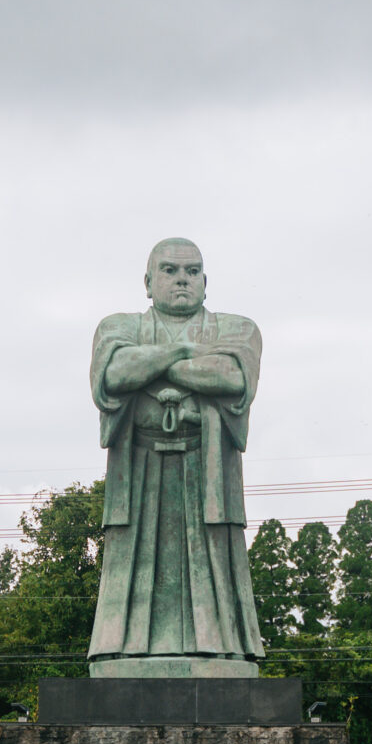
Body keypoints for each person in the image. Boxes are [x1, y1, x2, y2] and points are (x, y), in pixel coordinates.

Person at [86, 238, 266, 674]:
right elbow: (113, 375)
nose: (182, 279)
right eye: (169, 270)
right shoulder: (116, 327)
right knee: (131, 563)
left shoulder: (238, 329)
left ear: (206, 282)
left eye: (192, 271)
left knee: (214, 564)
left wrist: (154, 365)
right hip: (139, 465)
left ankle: (221, 652)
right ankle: (119, 653)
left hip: (206, 469)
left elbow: (231, 377)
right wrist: (186, 354)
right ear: (148, 283)